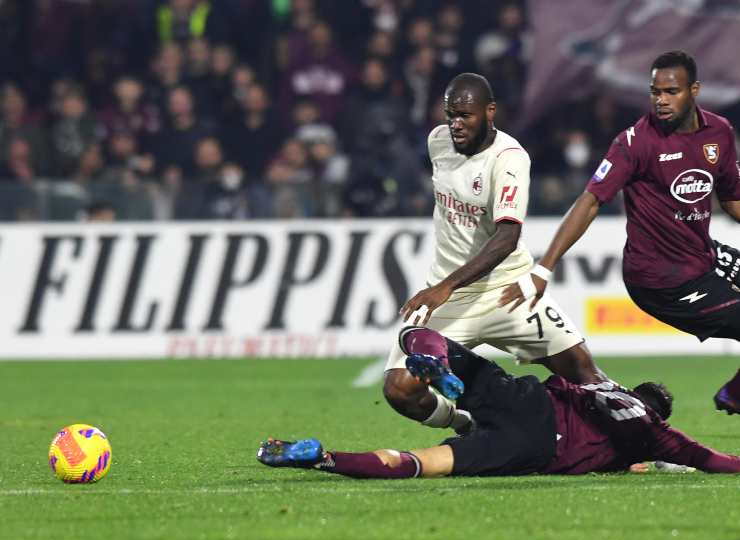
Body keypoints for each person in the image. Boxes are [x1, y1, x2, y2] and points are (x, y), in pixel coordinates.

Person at [499, 51, 740, 414]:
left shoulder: (719, 132)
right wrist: (543, 268)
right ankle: (736, 394)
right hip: (660, 280)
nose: (660, 100)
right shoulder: (634, 142)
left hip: (703, 257)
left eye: (670, 92)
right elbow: (590, 201)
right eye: (654, 92)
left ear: (694, 90)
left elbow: (732, 199)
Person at [383, 72, 603, 436]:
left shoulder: (509, 159)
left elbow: (506, 236)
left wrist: (444, 286)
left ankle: (641, 442)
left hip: (508, 292)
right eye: (450, 114)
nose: (455, 124)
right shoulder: (437, 142)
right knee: (399, 390)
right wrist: (446, 289)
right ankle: (468, 426)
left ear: (490, 112)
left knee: (584, 372)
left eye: (465, 115)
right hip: (451, 300)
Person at [258, 326, 740, 478]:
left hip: (529, 401)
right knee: (423, 464)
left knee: (419, 336)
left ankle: (438, 361)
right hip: (534, 447)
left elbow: (558, 365)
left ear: (632, 391)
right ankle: (324, 458)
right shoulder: (652, 439)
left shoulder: (599, 385)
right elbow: (707, 459)